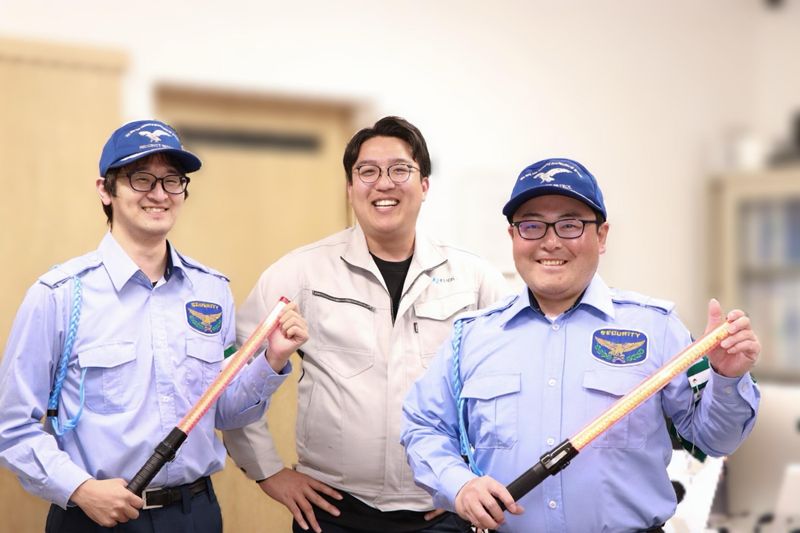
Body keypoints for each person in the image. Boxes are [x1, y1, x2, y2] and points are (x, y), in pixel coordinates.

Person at [401, 157, 761, 532]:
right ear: (513, 237)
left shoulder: (656, 328)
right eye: (532, 225)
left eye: (570, 225)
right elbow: (423, 426)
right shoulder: (472, 337)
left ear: (601, 236)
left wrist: (726, 379)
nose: (551, 241)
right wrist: (459, 484)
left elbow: (715, 440)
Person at [0, 120, 308, 533]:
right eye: (141, 178)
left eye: (172, 180)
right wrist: (80, 489)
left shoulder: (211, 291)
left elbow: (225, 414)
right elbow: (11, 427)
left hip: (195, 514)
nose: (160, 194)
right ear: (105, 190)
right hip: (94, 518)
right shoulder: (60, 295)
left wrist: (272, 360)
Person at [222, 116, 508, 533]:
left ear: (424, 185)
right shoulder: (301, 272)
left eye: (400, 170)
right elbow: (233, 379)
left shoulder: (475, 279)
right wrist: (267, 471)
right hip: (336, 511)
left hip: (440, 509)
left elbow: (511, 391)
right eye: (367, 172)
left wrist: (471, 477)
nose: (384, 183)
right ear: (350, 187)